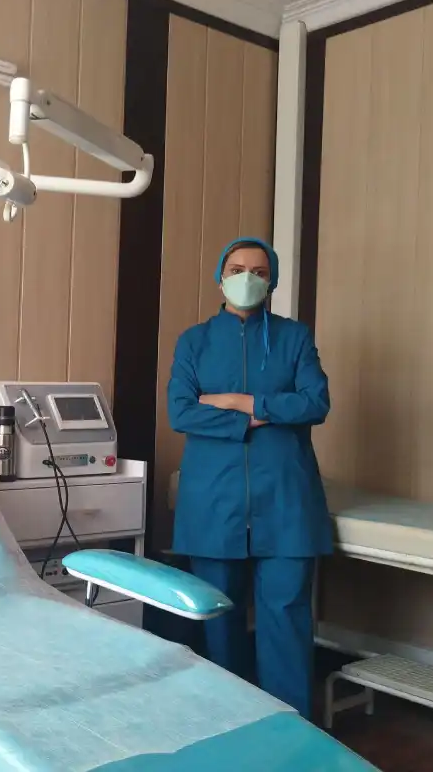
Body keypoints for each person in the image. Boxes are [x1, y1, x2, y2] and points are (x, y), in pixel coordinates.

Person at [167, 237, 332, 720]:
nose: (247, 279)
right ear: (220, 278)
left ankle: (290, 729)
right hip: (213, 503)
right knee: (217, 619)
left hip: (285, 501)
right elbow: (181, 412)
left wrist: (242, 402)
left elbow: (315, 403)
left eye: (259, 272)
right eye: (237, 269)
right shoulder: (194, 342)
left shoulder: (294, 338)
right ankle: (231, 723)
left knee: (286, 619)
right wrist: (268, 413)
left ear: (272, 281)